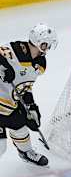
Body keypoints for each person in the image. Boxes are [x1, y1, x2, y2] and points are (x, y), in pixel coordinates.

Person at [0, 23, 58, 166]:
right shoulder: (11, 52)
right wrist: (3, 68)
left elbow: (25, 87)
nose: (48, 49)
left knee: (20, 126)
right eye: (46, 45)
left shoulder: (39, 64)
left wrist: (31, 106)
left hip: (7, 105)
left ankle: (26, 153)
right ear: (39, 42)